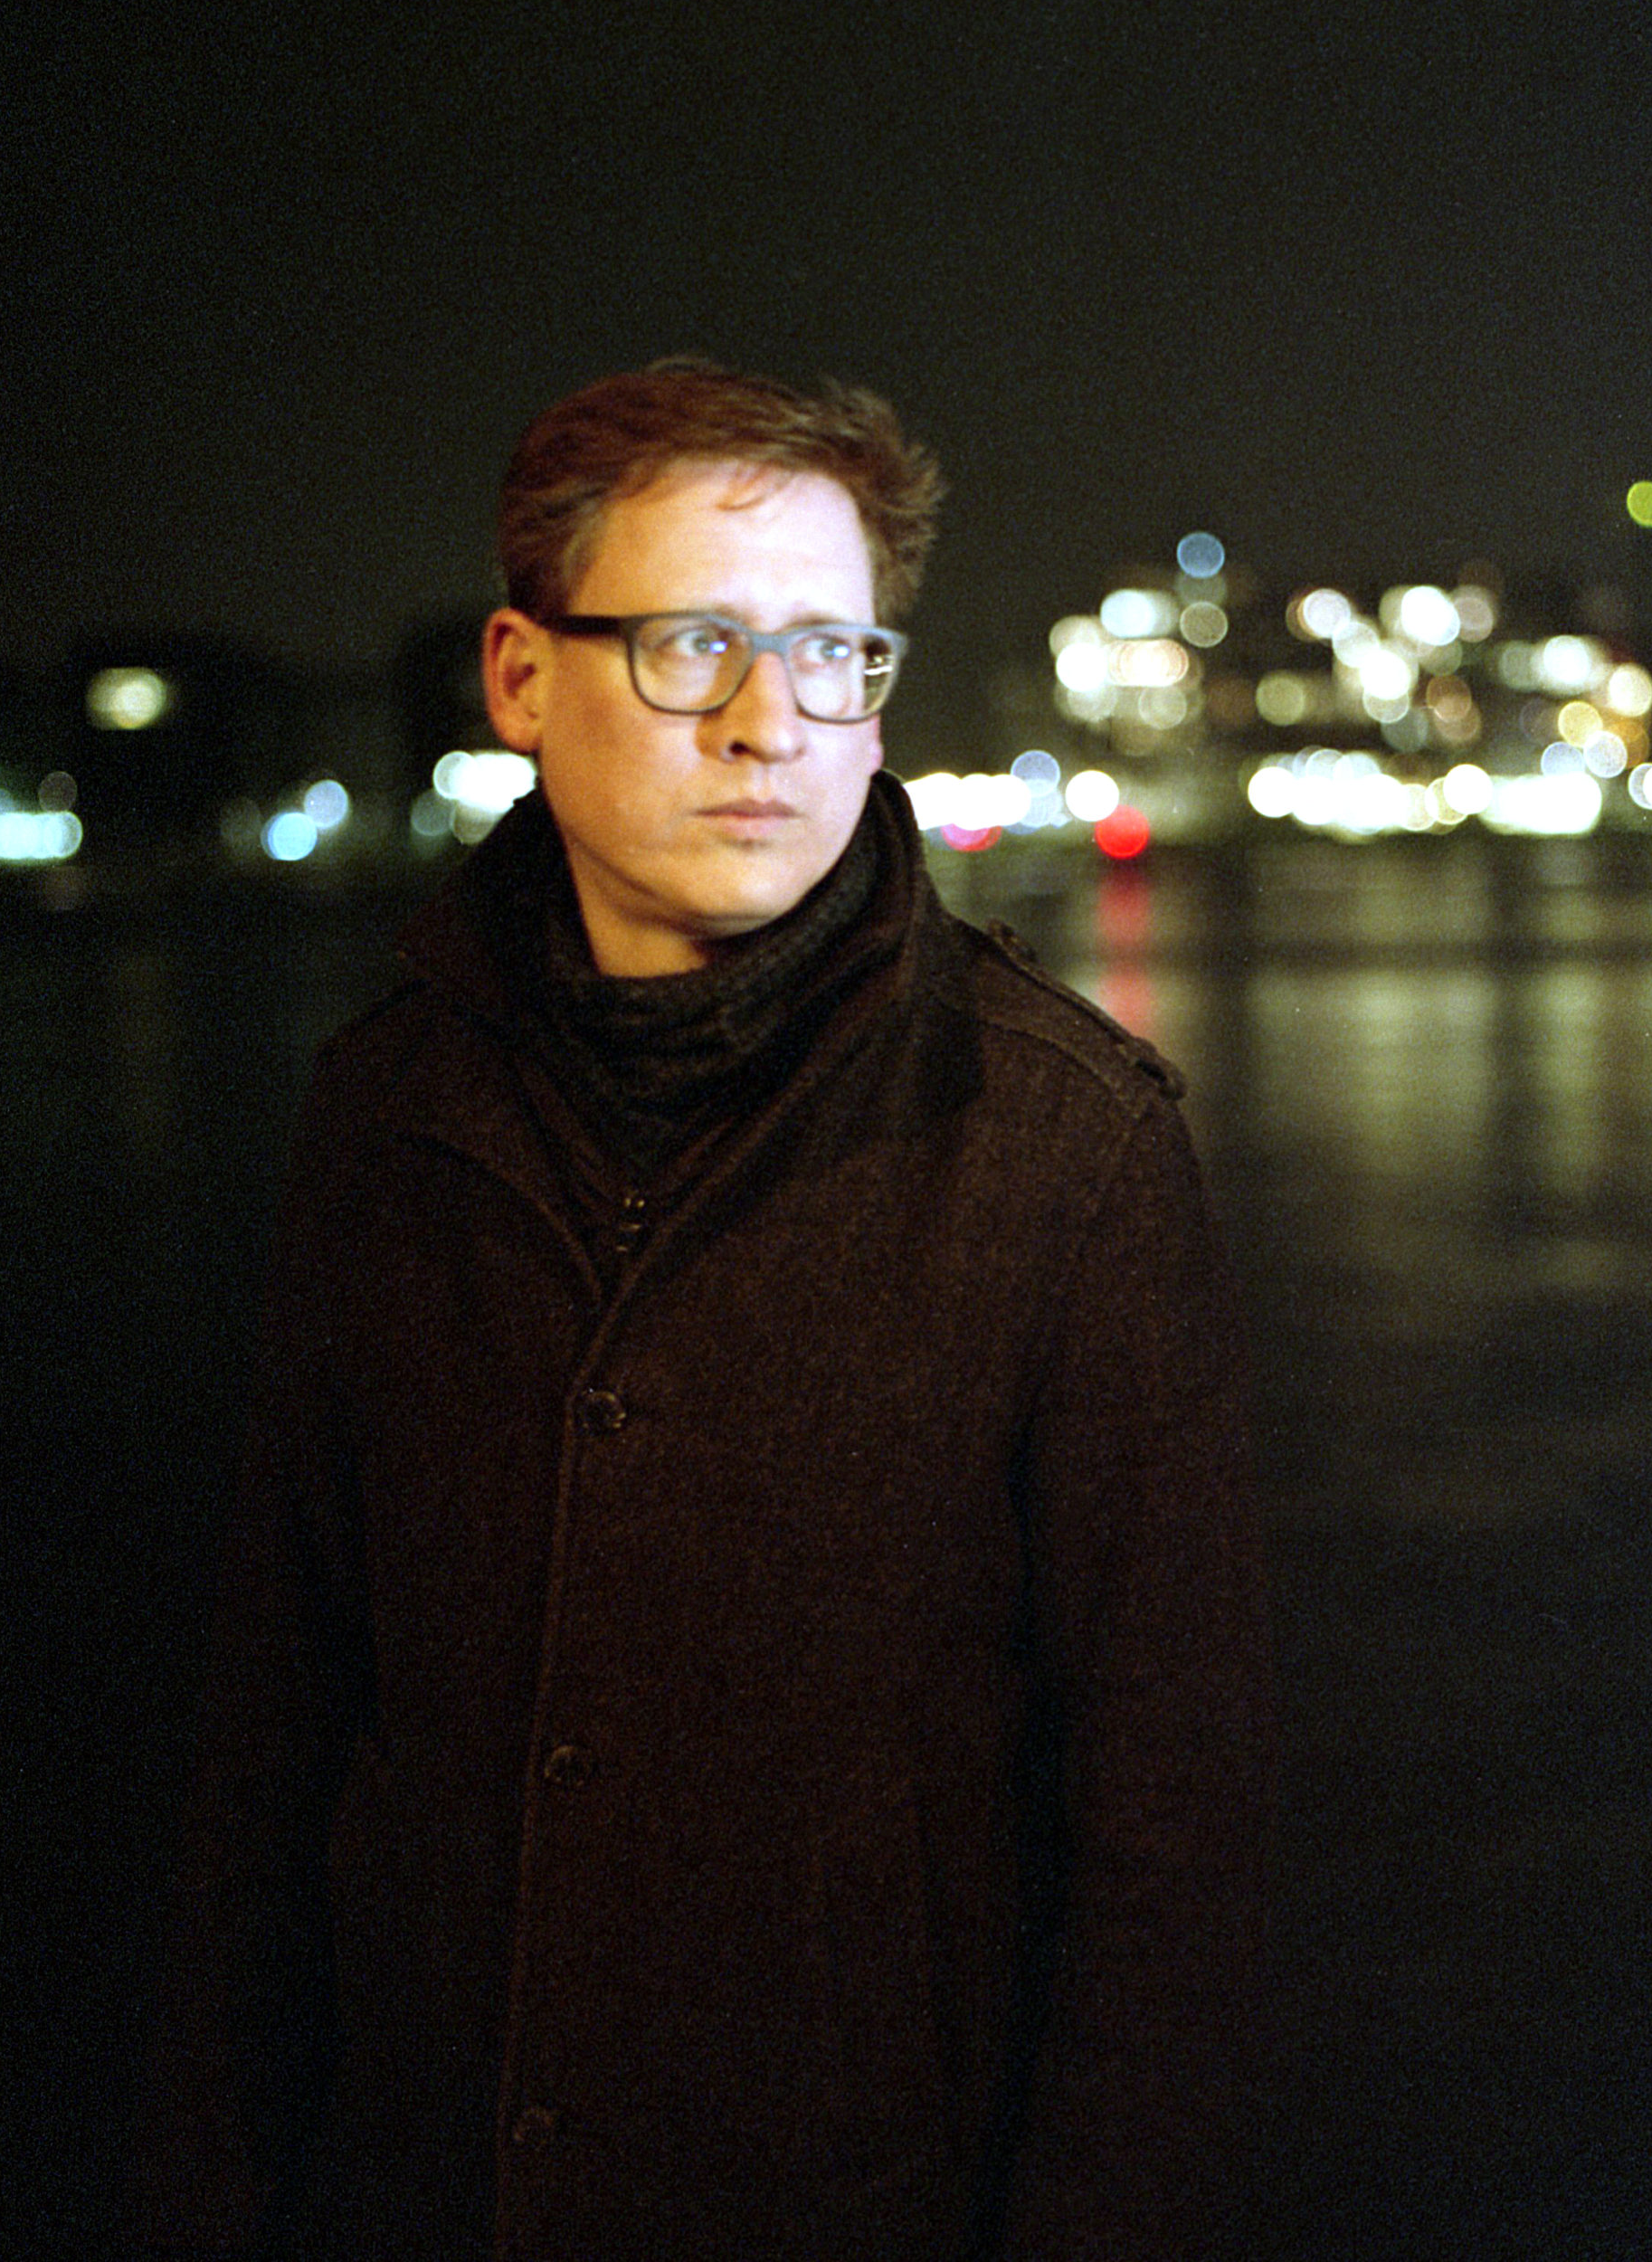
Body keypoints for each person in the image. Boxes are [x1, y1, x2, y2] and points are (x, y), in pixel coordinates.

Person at [129, 361, 1272, 2260]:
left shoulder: (1061, 1148)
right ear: (520, 677)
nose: (771, 723)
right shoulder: (387, 1116)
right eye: (692, 647)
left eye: (834, 654)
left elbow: (1173, 1850)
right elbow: (275, 1745)